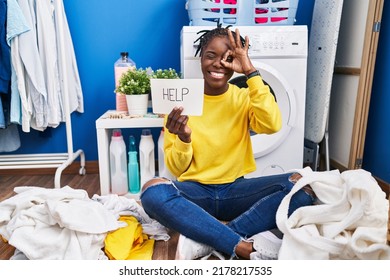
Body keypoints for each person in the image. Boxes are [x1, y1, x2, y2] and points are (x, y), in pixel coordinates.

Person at [140, 25, 315, 260]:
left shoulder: (243, 97)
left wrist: (250, 70)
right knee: (152, 191)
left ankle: (217, 238)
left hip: (235, 191)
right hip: (195, 192)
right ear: (201, 57)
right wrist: (184, 138)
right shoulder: (180, 99)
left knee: (303, 187)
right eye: (211, 55)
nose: (218, 64)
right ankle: (239, 245)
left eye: (228, 58)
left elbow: (272, 124)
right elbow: (177, 168)